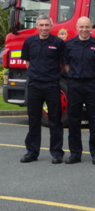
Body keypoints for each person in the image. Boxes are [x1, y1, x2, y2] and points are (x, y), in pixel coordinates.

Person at [20, 14, 65, 164]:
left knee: (55, 120)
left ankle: (57, 153)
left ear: (51, 27)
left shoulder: (58, 43)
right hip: (34, 85)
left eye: (47, 25)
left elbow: (61, 64)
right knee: (33, 119)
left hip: (52, 85)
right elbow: (27, 63)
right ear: (37, 26)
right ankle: (32, 152)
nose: (44, 28)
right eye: (41, 25)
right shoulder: (29, 42)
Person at [63, 16, 95, 165]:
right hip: (74, 85)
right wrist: (75, 76)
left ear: (91, 27)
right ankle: (75, 154)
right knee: (74, 120)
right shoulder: (69, 44)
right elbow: (66, 65)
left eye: (87, 27)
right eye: (82, 27)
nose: (85, 30)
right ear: (77, 27)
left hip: (92, 84)